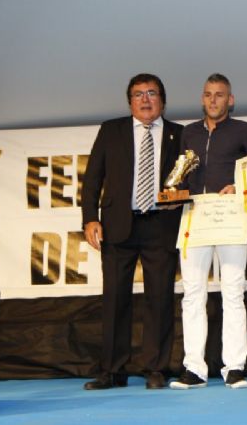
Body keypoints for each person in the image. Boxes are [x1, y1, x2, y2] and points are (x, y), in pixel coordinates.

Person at [81, 73, 183, 390]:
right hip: (117, 225)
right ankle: (112, 370)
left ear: (162, 100)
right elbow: (93, 177)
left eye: (152, 93)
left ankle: (156, 368)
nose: (145, 99)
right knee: (115, 299)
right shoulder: (111, 130)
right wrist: (89, 218)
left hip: (162, 226)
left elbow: (190, 181)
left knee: (160, 299)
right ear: (130, 102)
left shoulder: (180, 135)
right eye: (138, 94)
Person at [169, 73, 247, 390]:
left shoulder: (245, 131)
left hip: (231, 215)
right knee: (193, 293)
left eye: (219, 94)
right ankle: (194, 369)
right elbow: (180, 173)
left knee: (233, 292)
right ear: (202, 98)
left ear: (230, 100)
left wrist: (239, 185)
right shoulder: (189, 133)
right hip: (195, 216)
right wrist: (174, 191)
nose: (213, 100)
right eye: (208, 94)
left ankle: (234, 367)